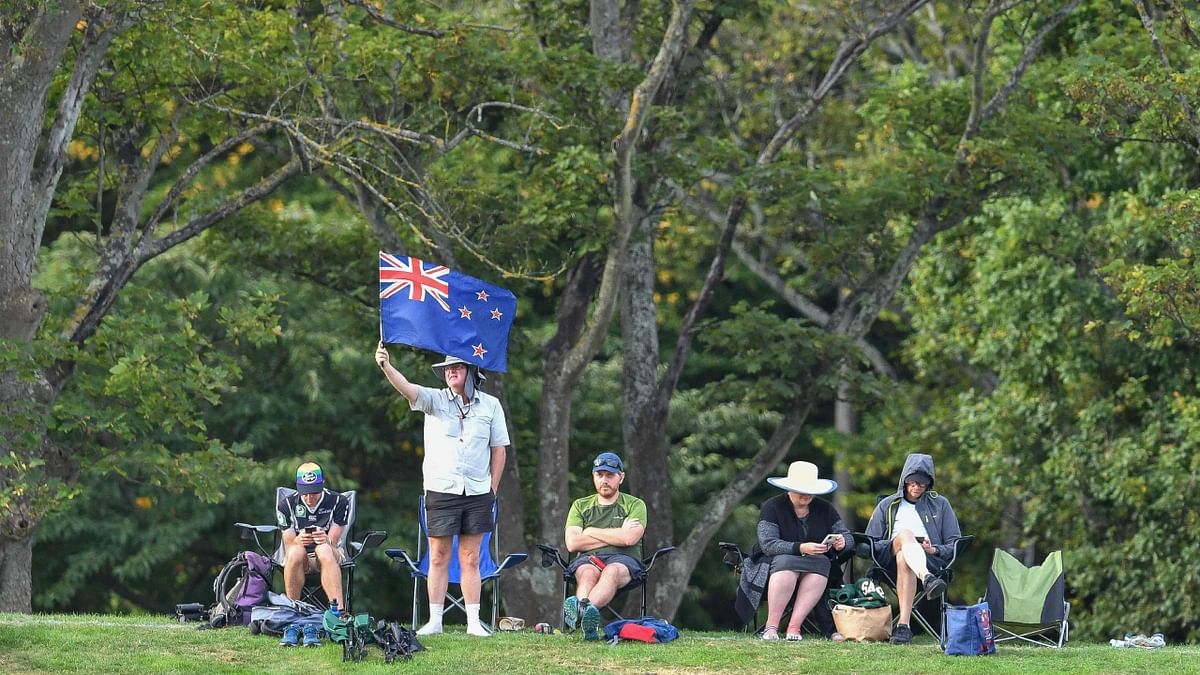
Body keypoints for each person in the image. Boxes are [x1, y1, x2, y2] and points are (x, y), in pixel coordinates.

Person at [375, 345, 509, 637]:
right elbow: (408, 389)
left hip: (477, 491)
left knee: (471, 557)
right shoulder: (435, 400)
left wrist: (492, 488)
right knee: (437, 555)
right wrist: (386, 366)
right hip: (441, 488)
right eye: (448, 369)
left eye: (457, 368)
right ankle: (435, 620)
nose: (450, 372)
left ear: (472, 373)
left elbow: (499, 449)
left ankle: (473, 621)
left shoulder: (491, 405)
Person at [734, 461, 852, 641]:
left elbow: (847, 535)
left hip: (817, 565)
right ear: (790, 489)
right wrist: (800, 548)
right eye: (801, 490)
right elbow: (768, 544)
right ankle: (771, 627)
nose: (806, 495)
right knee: (787, 563)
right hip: (772, 564)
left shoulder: (825, 508)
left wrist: (843, 542)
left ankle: (794, 627)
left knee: (821, 563)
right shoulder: (771, 507)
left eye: (809, 490)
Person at [864, 452, 961, 645]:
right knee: (905, 535)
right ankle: (927, 579)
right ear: (904, 481)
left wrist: (934, 550)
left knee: (904, 557)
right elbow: (869, 543)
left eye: (922, 483)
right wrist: (900, 540)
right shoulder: (888, 505)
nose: (917, 487)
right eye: (913, 483)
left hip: (928, 559)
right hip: (888, 560)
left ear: (929, 483)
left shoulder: (941, 504)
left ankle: (903, 626)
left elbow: (954, 543)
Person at [561, 452, 647, 641]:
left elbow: (629, 539)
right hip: (588, 559)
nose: (604, 480)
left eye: (609, 475)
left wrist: (590, 531)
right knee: (586, 572)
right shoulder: (580, 505)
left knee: (611, 571)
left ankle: (581, 611)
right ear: (593, 476)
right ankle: (587, 619)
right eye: (599, 475)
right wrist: (617, 533)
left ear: (621, 477)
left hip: (624, 560)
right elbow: (573, 543)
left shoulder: (635, 504)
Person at [276, 461, 349, 646]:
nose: (309, 498)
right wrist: (298, 540)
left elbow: (334, 539)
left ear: (323, 485)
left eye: (314, 492)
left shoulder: (339, 501)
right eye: (305, 493)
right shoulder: (286, 505)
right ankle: (293, 610)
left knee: (323, 549)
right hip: (300, 558)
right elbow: (288, 542)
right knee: (294, 551)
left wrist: (323, 538)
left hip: (329, 553)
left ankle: (338, 613)